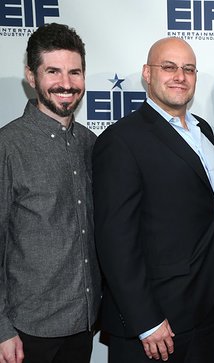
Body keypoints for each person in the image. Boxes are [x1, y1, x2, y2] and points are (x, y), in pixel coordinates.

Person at [93, 37, 214, 363]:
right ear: (147, 73)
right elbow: (115, 240)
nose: (180, 76)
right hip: (156, 325)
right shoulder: (121, 140)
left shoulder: (205, 131)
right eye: (168, 67)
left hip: (208, 314)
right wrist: (146, 320)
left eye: (189, 69)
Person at [0, 23, 101, 363]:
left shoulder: (92, 144)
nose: (67, 84)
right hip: (28, 332)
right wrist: (2, 329)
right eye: (53, 71)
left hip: (83, 324)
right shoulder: (8, 146)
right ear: (31, 76)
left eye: (75, 72)